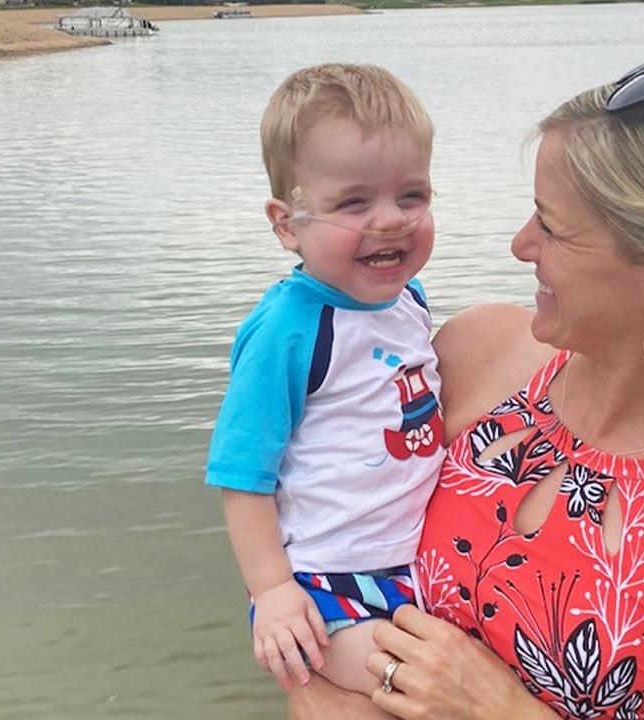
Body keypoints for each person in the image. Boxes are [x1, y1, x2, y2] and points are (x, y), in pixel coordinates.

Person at [290, 55, 644, 720]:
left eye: (551, 226)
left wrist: (503, 711)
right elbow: (311, 549)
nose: (521, 245)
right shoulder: (474, 356)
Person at [204, 64, 445, 702]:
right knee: (423, 691)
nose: (392, 220)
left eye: (412, 196)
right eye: (354, 202)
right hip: (323, 586)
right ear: (287, 224)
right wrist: (272, 591)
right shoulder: (289, 327)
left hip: (416, 570)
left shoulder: (409, 300)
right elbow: (241, 475)